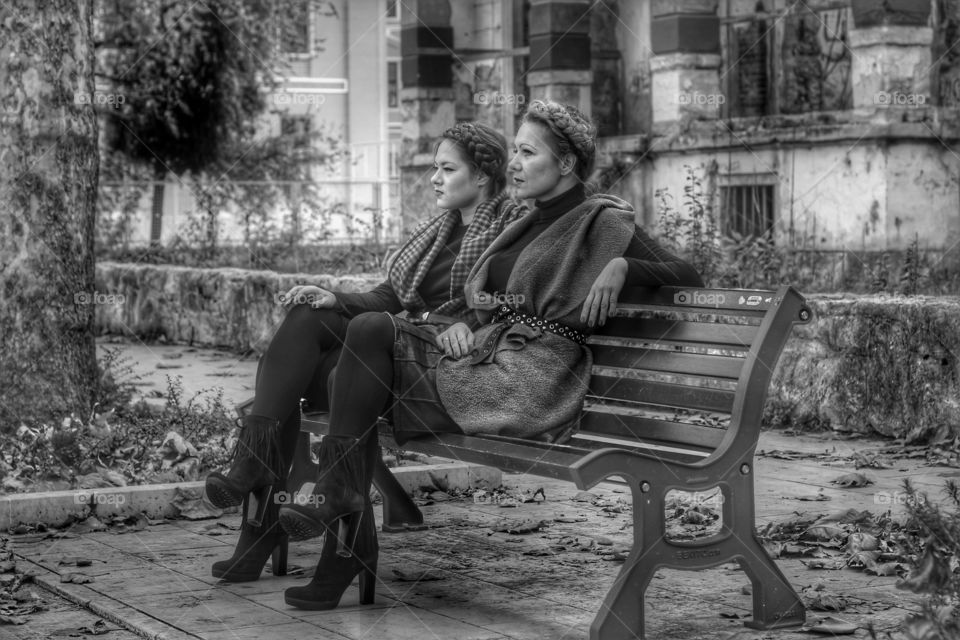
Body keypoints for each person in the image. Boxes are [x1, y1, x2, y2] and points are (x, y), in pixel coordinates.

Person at [277, 100, 704, 610]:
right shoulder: (523, 223)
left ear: (565, 164)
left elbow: (689, 277)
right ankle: (340, 513)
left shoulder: (603, 221)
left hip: (531, 378)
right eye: (515, 151)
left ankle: (340, 535)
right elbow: (488, 303)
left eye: (527, 152)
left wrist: (623, 268)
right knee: (362, 349)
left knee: (366, 351)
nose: (515, 164)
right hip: (487, 357)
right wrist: (459, 324)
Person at [202, 121, 527, 583]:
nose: (433, 177)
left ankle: (265, 529)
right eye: (434, 167)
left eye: (446, 168)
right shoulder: (436, 231)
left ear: (481, 176)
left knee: (325, 373)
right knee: (305, 319)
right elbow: (388, 299)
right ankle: (253, 468)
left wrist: (469, 323)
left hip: (432, 366)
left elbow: (516, 303)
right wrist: (334, 299)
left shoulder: (510, 232)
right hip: (392, 348)